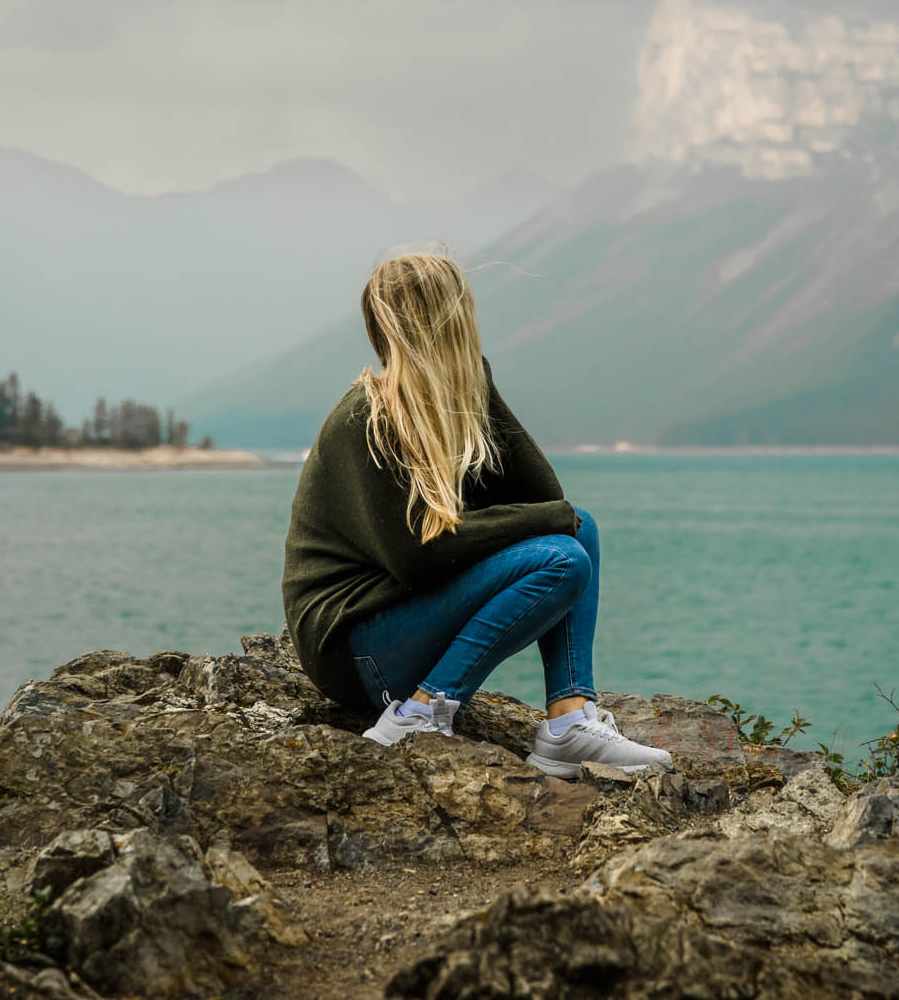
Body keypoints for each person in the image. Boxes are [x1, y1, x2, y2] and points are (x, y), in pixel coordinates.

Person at [282, 251, 671, 777]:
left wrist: (479, 386)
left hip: (397, 625)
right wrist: (546, 518)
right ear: (456, 319)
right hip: (354, 653)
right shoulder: (365, 418)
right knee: (564, 559)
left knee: (583, 529)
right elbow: (418, 558)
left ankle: (568, 720)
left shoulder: (452, 407)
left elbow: (547, 501)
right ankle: (419, 713)